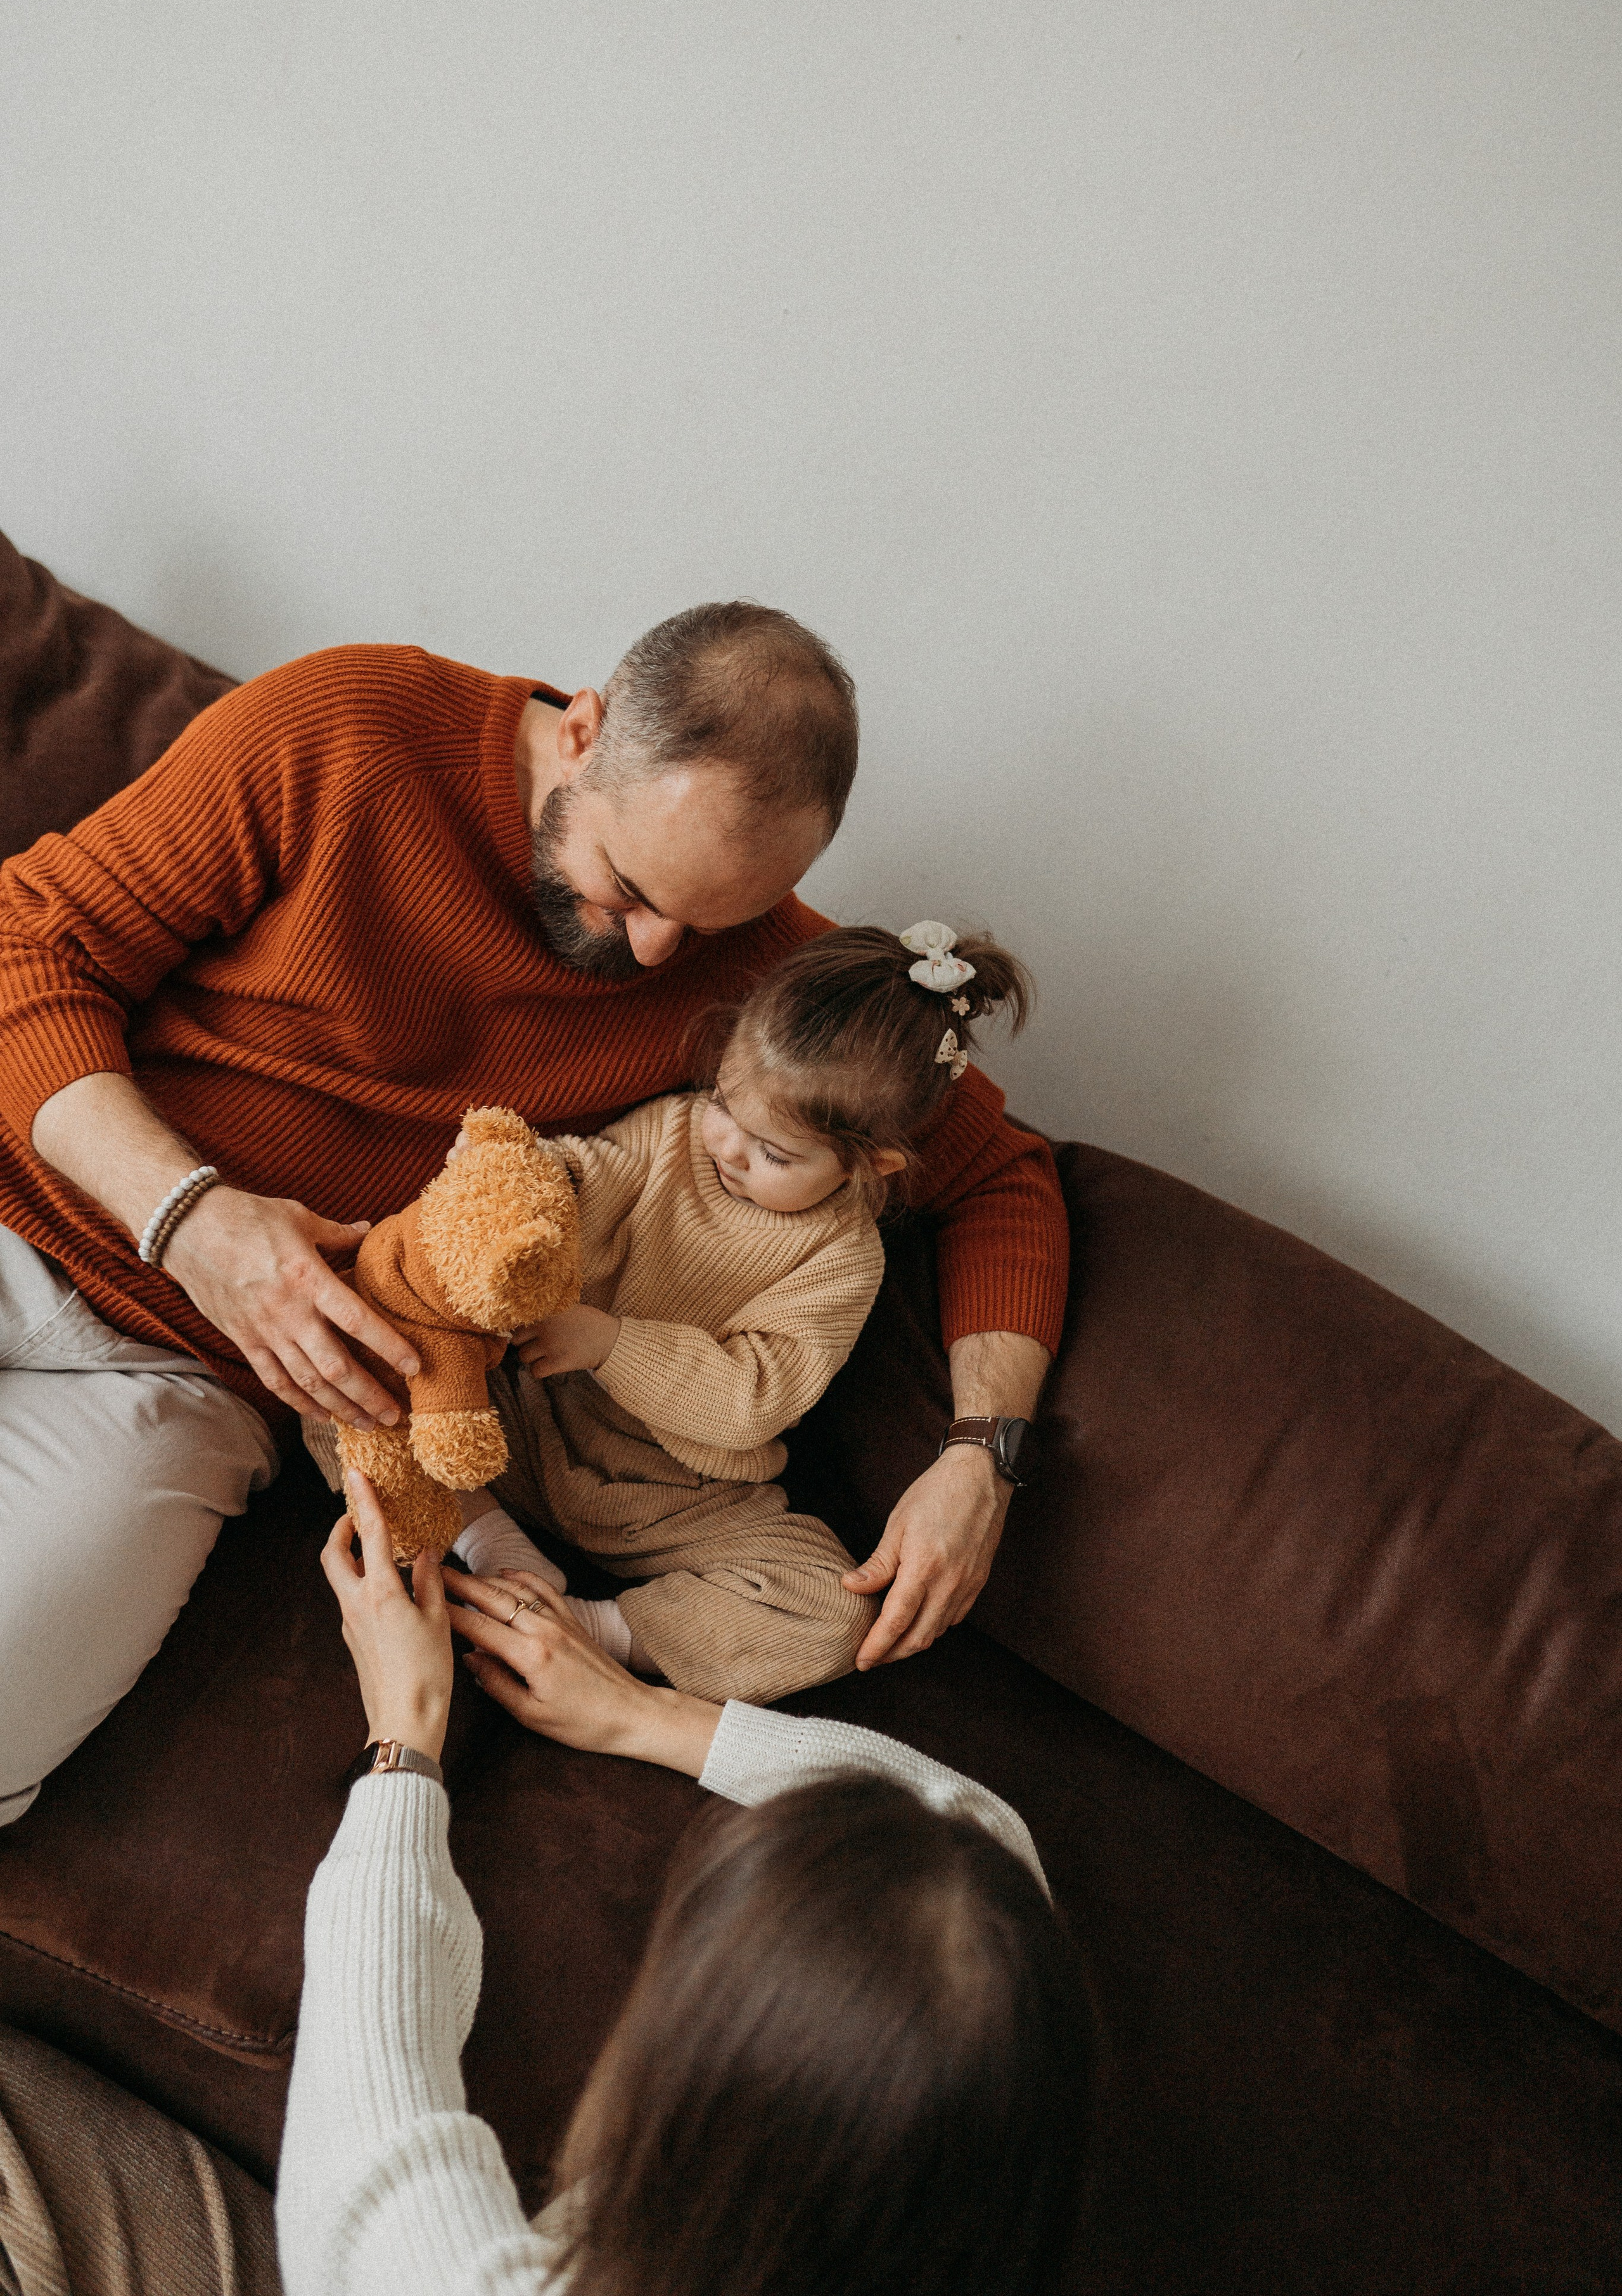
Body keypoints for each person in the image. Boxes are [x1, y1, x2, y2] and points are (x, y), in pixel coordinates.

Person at [0, 603, 1068, 1823]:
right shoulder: (348, 728)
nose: (661, 952)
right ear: (584, 734)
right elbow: (26, 947)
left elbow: (1005, 1178)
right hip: (30, 1192)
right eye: (629, 887)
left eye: (711, 924)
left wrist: (982, 1456)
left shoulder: (753, 970)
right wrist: (193, 1221)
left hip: (199, 1383)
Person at [274, 1468, 1097, 2296]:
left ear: (693, 2089)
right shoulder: (983, 2162)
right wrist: (636, 1712)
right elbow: (977, 1830)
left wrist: (404, 1728)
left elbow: (363, 2144)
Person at [329, 920, 1035, 1707]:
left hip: (669, 1491)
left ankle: (589, 1629)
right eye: (725, 1105)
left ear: (872, 1165)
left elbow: (757, 1397)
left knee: (833, 1610)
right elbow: (594, 1176)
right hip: (520, 1420)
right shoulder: (674, 1134)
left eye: (775, 1153)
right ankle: (490, 1538)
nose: (729, 1147)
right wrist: (521, 1184)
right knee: (345, 1368)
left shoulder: (841, 1260)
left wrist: (611, 1343)